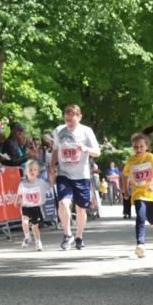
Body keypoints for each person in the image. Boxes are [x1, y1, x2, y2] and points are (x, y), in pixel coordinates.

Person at [49, 104, 101, 250]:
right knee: (63, 203)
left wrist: (86, 148)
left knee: (80, 209)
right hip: (64, 174)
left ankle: (79, 237)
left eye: (72, 120)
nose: (69, 123)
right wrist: (51, 167)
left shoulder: (86, 131)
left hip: (81, 176)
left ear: (79, 117)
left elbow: (97, 152)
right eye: (67, 120)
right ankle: (67, 235)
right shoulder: (59, 131)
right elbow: (55, 150)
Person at [122, 132, 153, 258]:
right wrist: (126, 191)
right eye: (136, 147)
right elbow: (125, 175)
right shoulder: (131, 161)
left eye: (141, 146)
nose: (138, 149)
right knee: (140, 217)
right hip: (138, 193)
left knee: (151, 220)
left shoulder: (152, 158)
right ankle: (140, 244)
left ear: (146, 147)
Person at [17, 159, 50, 251]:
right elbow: (19, 194)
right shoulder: (23, 183)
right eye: (30, 170)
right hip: (25, 206)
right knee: (24, 222)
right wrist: (17, 201)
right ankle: (27, 237)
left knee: (35, 227)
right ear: (26, 171)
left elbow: (49, 186)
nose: (32, 172)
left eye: (35, 170)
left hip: (36, 207)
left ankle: (38, 242)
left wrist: (52, 176)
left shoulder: (41, 182)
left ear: (38, 172)